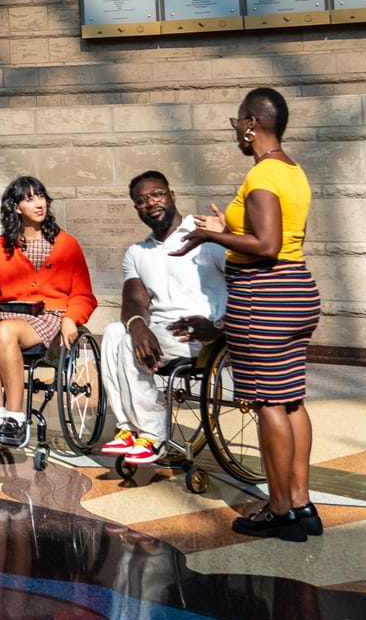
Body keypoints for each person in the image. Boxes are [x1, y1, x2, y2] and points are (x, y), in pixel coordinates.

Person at [174, 87, 322, 541]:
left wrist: (211, 237)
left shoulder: (261, 175)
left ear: (252, 123)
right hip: (296, 291)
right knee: (291, 400)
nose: (236, 129)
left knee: (267, 402)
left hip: (263, 296)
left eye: (238, 121)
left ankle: (279, 511)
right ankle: (301, 503)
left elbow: (267, 244)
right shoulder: (292, 171)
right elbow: (276, 235)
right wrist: (227, 227)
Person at [98, 170, 227, 467]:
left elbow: (244, 279)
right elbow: (134, 299)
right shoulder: (137, 252)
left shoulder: (206, 235)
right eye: (141, 200)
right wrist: (137, 325)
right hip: (162, 332)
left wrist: (218, 325)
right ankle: (129, 428)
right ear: (136, 208)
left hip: (202, 334)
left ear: (172, 195)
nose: (150, 203)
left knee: (128, 343)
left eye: (156, 194)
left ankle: (153, 435)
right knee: (115, 333)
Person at [0, 175, 97, 445]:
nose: (38, 204)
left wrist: (71, 319)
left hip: (49, 315)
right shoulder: (2, 246)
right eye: (29, 199)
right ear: (16, 207)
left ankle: (15, 416)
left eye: (41, 196)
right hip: (9, 312)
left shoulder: (66, 244)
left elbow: (83, 294)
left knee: (4, 331)